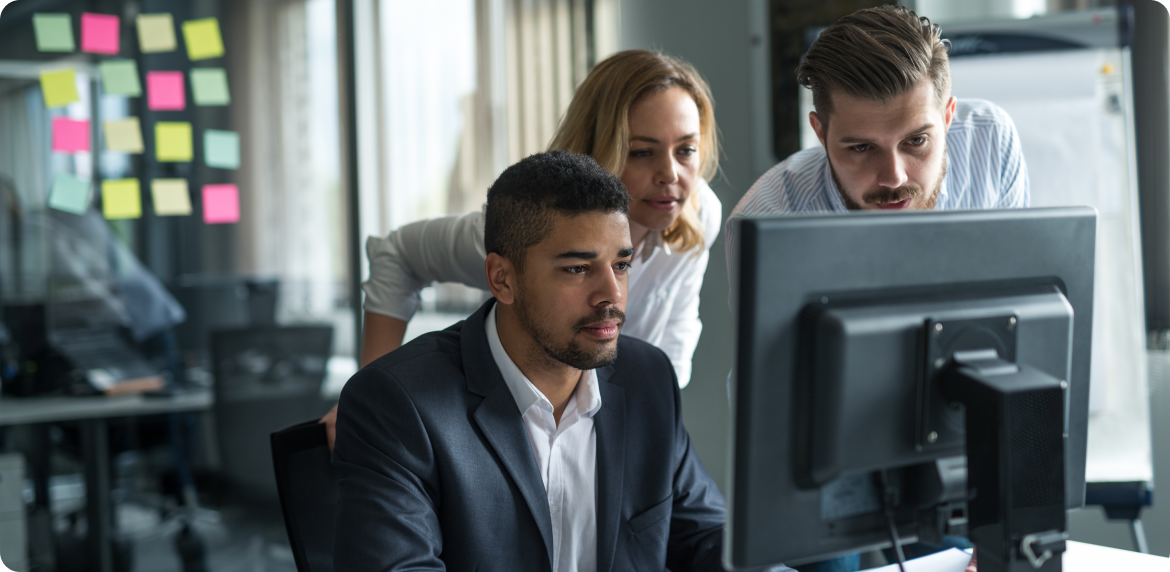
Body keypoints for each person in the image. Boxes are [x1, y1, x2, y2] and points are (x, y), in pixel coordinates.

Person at [332, 151, 789, 572]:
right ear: (502, 278)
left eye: (621, 265)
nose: (612, 295)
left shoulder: (646, 377)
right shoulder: (397, 404)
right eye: (577, 268)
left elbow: (709, 535)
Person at [727, 7, 1018, 572]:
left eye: (916, 141)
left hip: (949, 423)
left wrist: (1001, 515)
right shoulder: (770, 218)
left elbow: (1010, 336)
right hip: (822, 451)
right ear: (820, 132)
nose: (894, 177)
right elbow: (768, 407)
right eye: (861, 148)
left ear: (949, 115)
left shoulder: (992, 146)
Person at [321, 49, 723, 447]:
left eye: (686, 149)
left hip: (607, 435)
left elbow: (668, 354)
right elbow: (399, 253)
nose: (671, 174)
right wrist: (365, 396)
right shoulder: (530, 229)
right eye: (642, 152)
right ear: (602, 147)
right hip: (508, 429)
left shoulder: (698, 213)